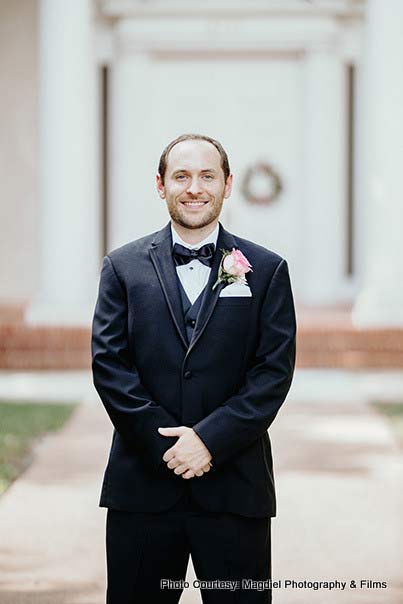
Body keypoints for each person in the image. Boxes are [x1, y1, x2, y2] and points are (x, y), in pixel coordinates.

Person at [91, 133, 297, 603]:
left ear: (227, 184)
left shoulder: (266, 270)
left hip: (234, 488)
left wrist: (208, 441)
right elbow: (109, 365)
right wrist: (169, 446)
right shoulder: (121, 268)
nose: (194, 188)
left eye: (207, 176)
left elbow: (272, 374)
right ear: (160, 185)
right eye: (181, 176)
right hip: (142, 487)